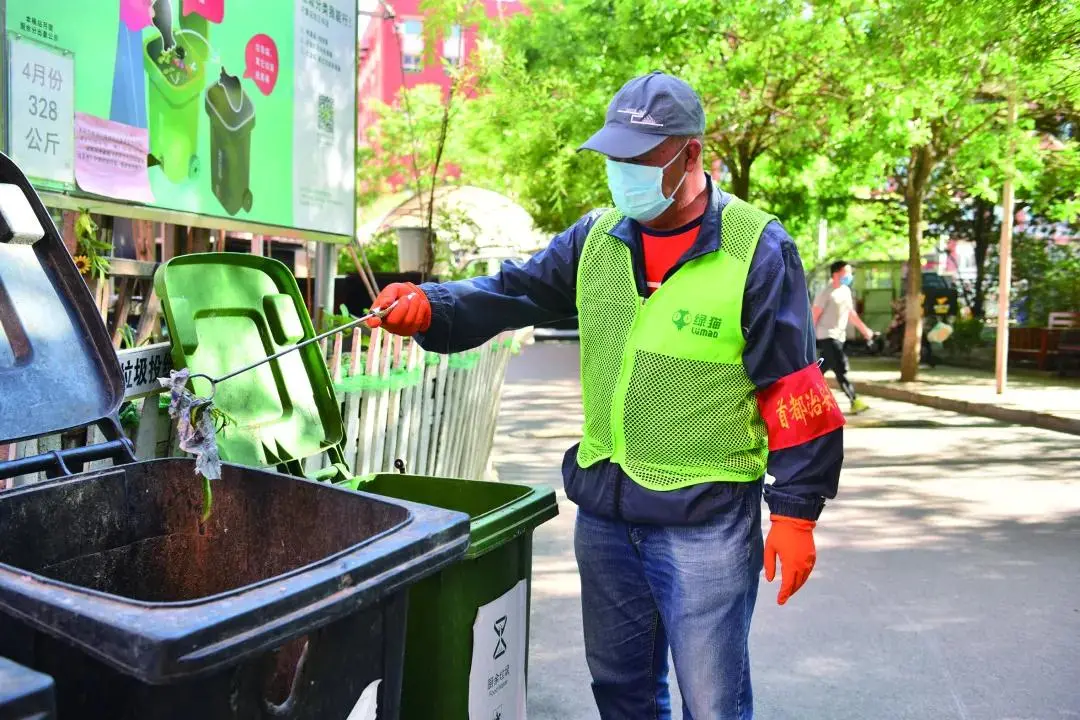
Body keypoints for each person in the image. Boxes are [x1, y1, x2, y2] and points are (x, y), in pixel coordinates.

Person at [368, 72, 844, 720]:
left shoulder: (756, 249)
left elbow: (794, 388)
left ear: (691, 155)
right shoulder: (597, 238)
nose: (624, 173)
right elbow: (518, 290)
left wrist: (796, 509)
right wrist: (434, 306)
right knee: (620, 692)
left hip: (705, 522)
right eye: (615, 157)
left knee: (713, 702)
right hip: (608, 517)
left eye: (640, 159)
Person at [813, 261, 875, 414]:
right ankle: (854, 400)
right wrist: (808, 337)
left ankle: (800, 389)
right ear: (836, 274)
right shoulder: (826, 293)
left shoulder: (846, 291)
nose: (850, 276)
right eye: (846, 272)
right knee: (841, 368)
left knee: (823, 367)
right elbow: (814, 315)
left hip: (839, 336)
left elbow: (850, 314)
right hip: (826, 335)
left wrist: (865, 330)